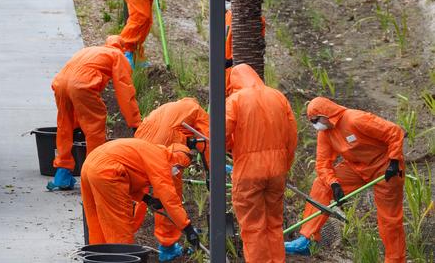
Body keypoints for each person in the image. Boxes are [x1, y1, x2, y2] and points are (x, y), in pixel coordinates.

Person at [285, 97, 406, 262]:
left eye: (315, 119)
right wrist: (334, 184)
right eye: (311, 121)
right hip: (356, 168)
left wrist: (393, 161)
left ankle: (395, 260)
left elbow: (394, 131)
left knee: (389, 220)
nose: (314, 124)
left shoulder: (355, 119)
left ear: (326, 114)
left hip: (385, 168)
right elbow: (322, 164)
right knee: (321, 184)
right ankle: (307, 239)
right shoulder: (325, 133)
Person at [47, 36, 141, 191]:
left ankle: (62, 174)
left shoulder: (89, 50)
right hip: (82, 85)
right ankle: (93, 176)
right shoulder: (117, 56)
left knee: (65, 125)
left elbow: (72, 75)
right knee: (94, 128)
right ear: (122, 49)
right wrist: (135, 123)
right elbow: (125, 92)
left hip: (60, 83)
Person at [226, 64, 297, 262]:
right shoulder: (278, 97)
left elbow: (221, 133)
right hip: (277, 172)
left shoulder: (236, 100)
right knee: (274, 223)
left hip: (248, 172)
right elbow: (292, 137)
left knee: (253, 227)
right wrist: (284, 165)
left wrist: (232, 148)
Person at [81, 138, 199, 248]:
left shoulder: (154, 152)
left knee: (95, 219)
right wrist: (187, 228)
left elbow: (128, 175)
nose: (178, 172)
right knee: (119, 225)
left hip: (89, 164)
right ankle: (122, 258)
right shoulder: (162, 162)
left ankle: (98, 255)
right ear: (176, 161)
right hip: (105, 170)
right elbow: (170, 199)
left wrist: (146, 198)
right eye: (180, 168)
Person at [132, 97, 209, 261]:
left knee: (138, 190)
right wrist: (211, 171)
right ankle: (168, 247)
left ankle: (127, 233)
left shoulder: (167, 107)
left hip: (139, 144)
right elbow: (208, 143)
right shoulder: (196, 111)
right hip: (166, 149)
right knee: (168, 195)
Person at [224, 0, 266, 94]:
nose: (228, 3)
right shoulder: (226, 16)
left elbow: (253, 46)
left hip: (241, 72)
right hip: (226, 74)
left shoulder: (253, 20)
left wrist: (232, 61)